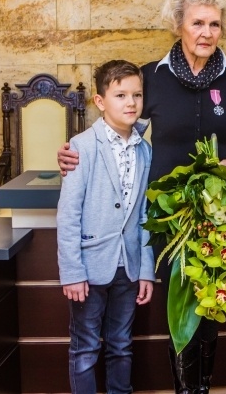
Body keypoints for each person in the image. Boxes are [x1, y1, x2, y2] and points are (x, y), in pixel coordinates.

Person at [57, 0, 226, 394]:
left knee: (212, 303)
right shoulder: (152, 77)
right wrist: (75, 152)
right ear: (178, 25)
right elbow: (123, 130)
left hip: (218, 214)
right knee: (178, 306)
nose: (206, 33)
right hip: (166, 219)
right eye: (197, 23)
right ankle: (184, 389)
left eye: (214, 24)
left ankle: (202, 387)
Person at [56, 60, 155, 394]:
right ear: (100, 101)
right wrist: (72, 271)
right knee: (85, 349)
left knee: (121, 345)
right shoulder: (81, 147)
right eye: (121, 95)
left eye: (137, 95)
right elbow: (68, 215)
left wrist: (145, 269)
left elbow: (144, 214)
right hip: (90, 267)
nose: (131, 103)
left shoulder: (146, 150)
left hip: (128, 267)